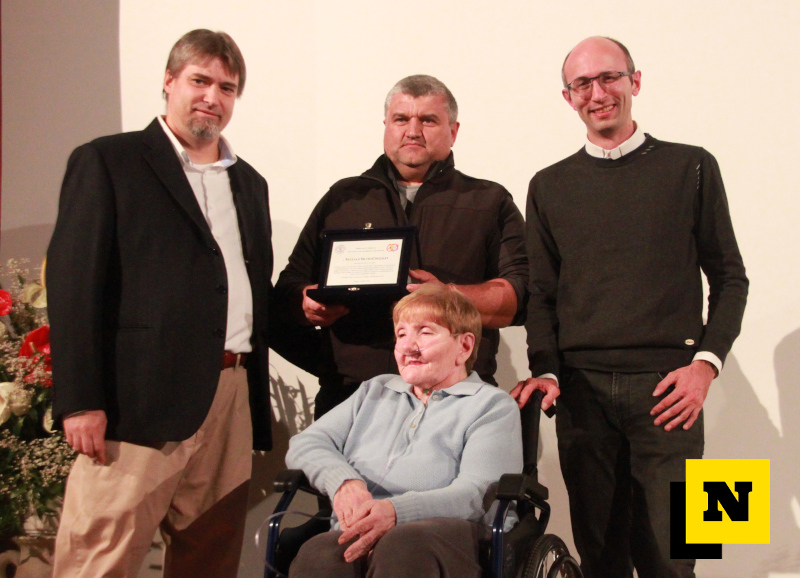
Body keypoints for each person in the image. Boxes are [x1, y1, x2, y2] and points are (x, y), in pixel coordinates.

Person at [512, 36, 748, 577]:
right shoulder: (547, 185)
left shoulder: (693, 165)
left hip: (672, 389)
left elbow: (731, 278)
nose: (597, 93)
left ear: (635, 81)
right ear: (568, 97)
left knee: (678, 560)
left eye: (609, 78)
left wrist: (706, 367)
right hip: (581, 393)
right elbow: (542, 294)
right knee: (601, 560)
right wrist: (546, 368)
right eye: (582, 84)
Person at [46, 29, 273, 577]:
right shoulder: (109, 161)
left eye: (227, 88)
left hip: (230, 392)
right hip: (138, 399)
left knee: (209, 558)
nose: (212, 98)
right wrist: (79, 400)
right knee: (99, 557)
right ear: (169, 81)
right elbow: (73, 287)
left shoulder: (249, 183)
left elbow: (249, 287)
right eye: (200, 81)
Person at [273, 74, 527, 418]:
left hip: (457, 402)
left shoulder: (488, 201)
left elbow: (520, 296)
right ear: (386, 126)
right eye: (401, 119)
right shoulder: (343, 199)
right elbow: (287, 291)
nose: (413, 130)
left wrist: (448, 296)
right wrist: (306, 303)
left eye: (428, 120)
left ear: (453, 131)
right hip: (351, 399)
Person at [285, 285, 522, 577]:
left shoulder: (490, 405)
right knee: (320, 554)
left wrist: (397, 512)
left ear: (464, 346)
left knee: (403, 545)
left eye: (425, 332)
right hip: (363, 524)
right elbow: (306, 443)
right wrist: (344, 482)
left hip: (454, 532)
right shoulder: (375, 390)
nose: (408, 347)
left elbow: (476, 493)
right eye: (401, 334)